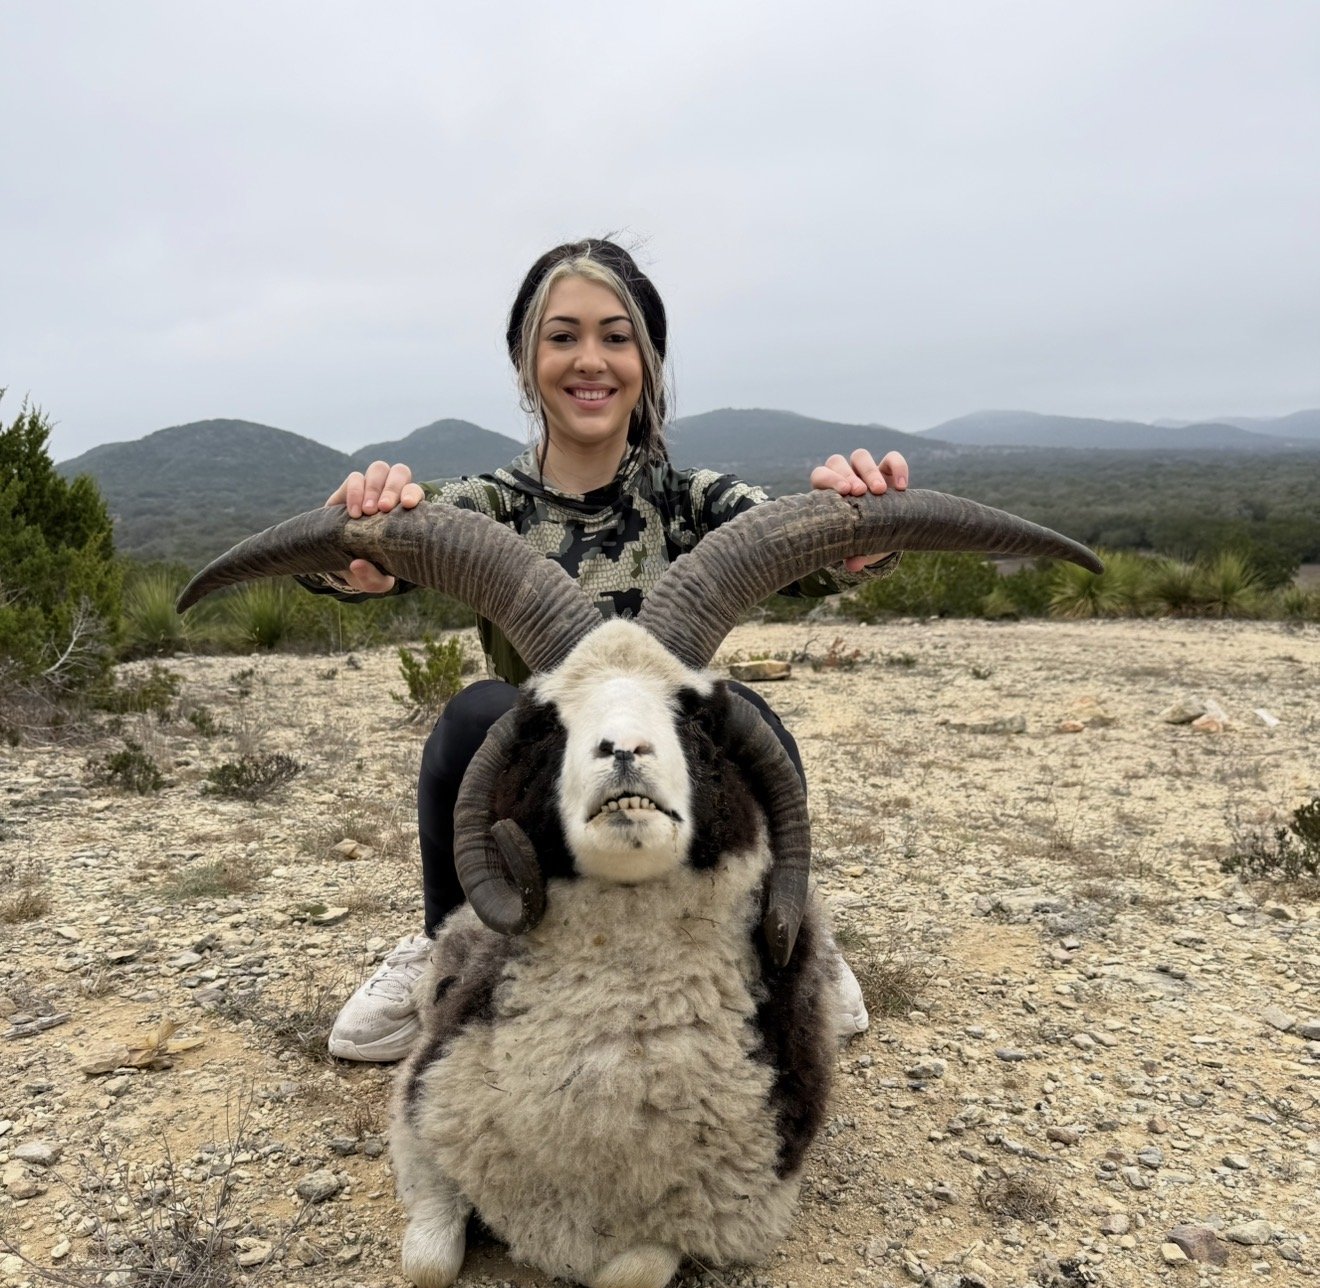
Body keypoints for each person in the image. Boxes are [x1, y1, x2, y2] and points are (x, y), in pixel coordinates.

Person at [303, 238, 910, 1062]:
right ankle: (442, 945)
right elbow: (343, 563)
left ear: (647, 362)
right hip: (553, 803)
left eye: (615, 336)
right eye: (562, 336)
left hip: (671, 798)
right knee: (475, 715)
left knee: (745, 714)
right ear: (527, 362)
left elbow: (814, 558)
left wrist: (856, 532)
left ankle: (789, 936)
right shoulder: (485, 506)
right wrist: (354, 551)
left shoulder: (694, 498)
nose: (590, 359)